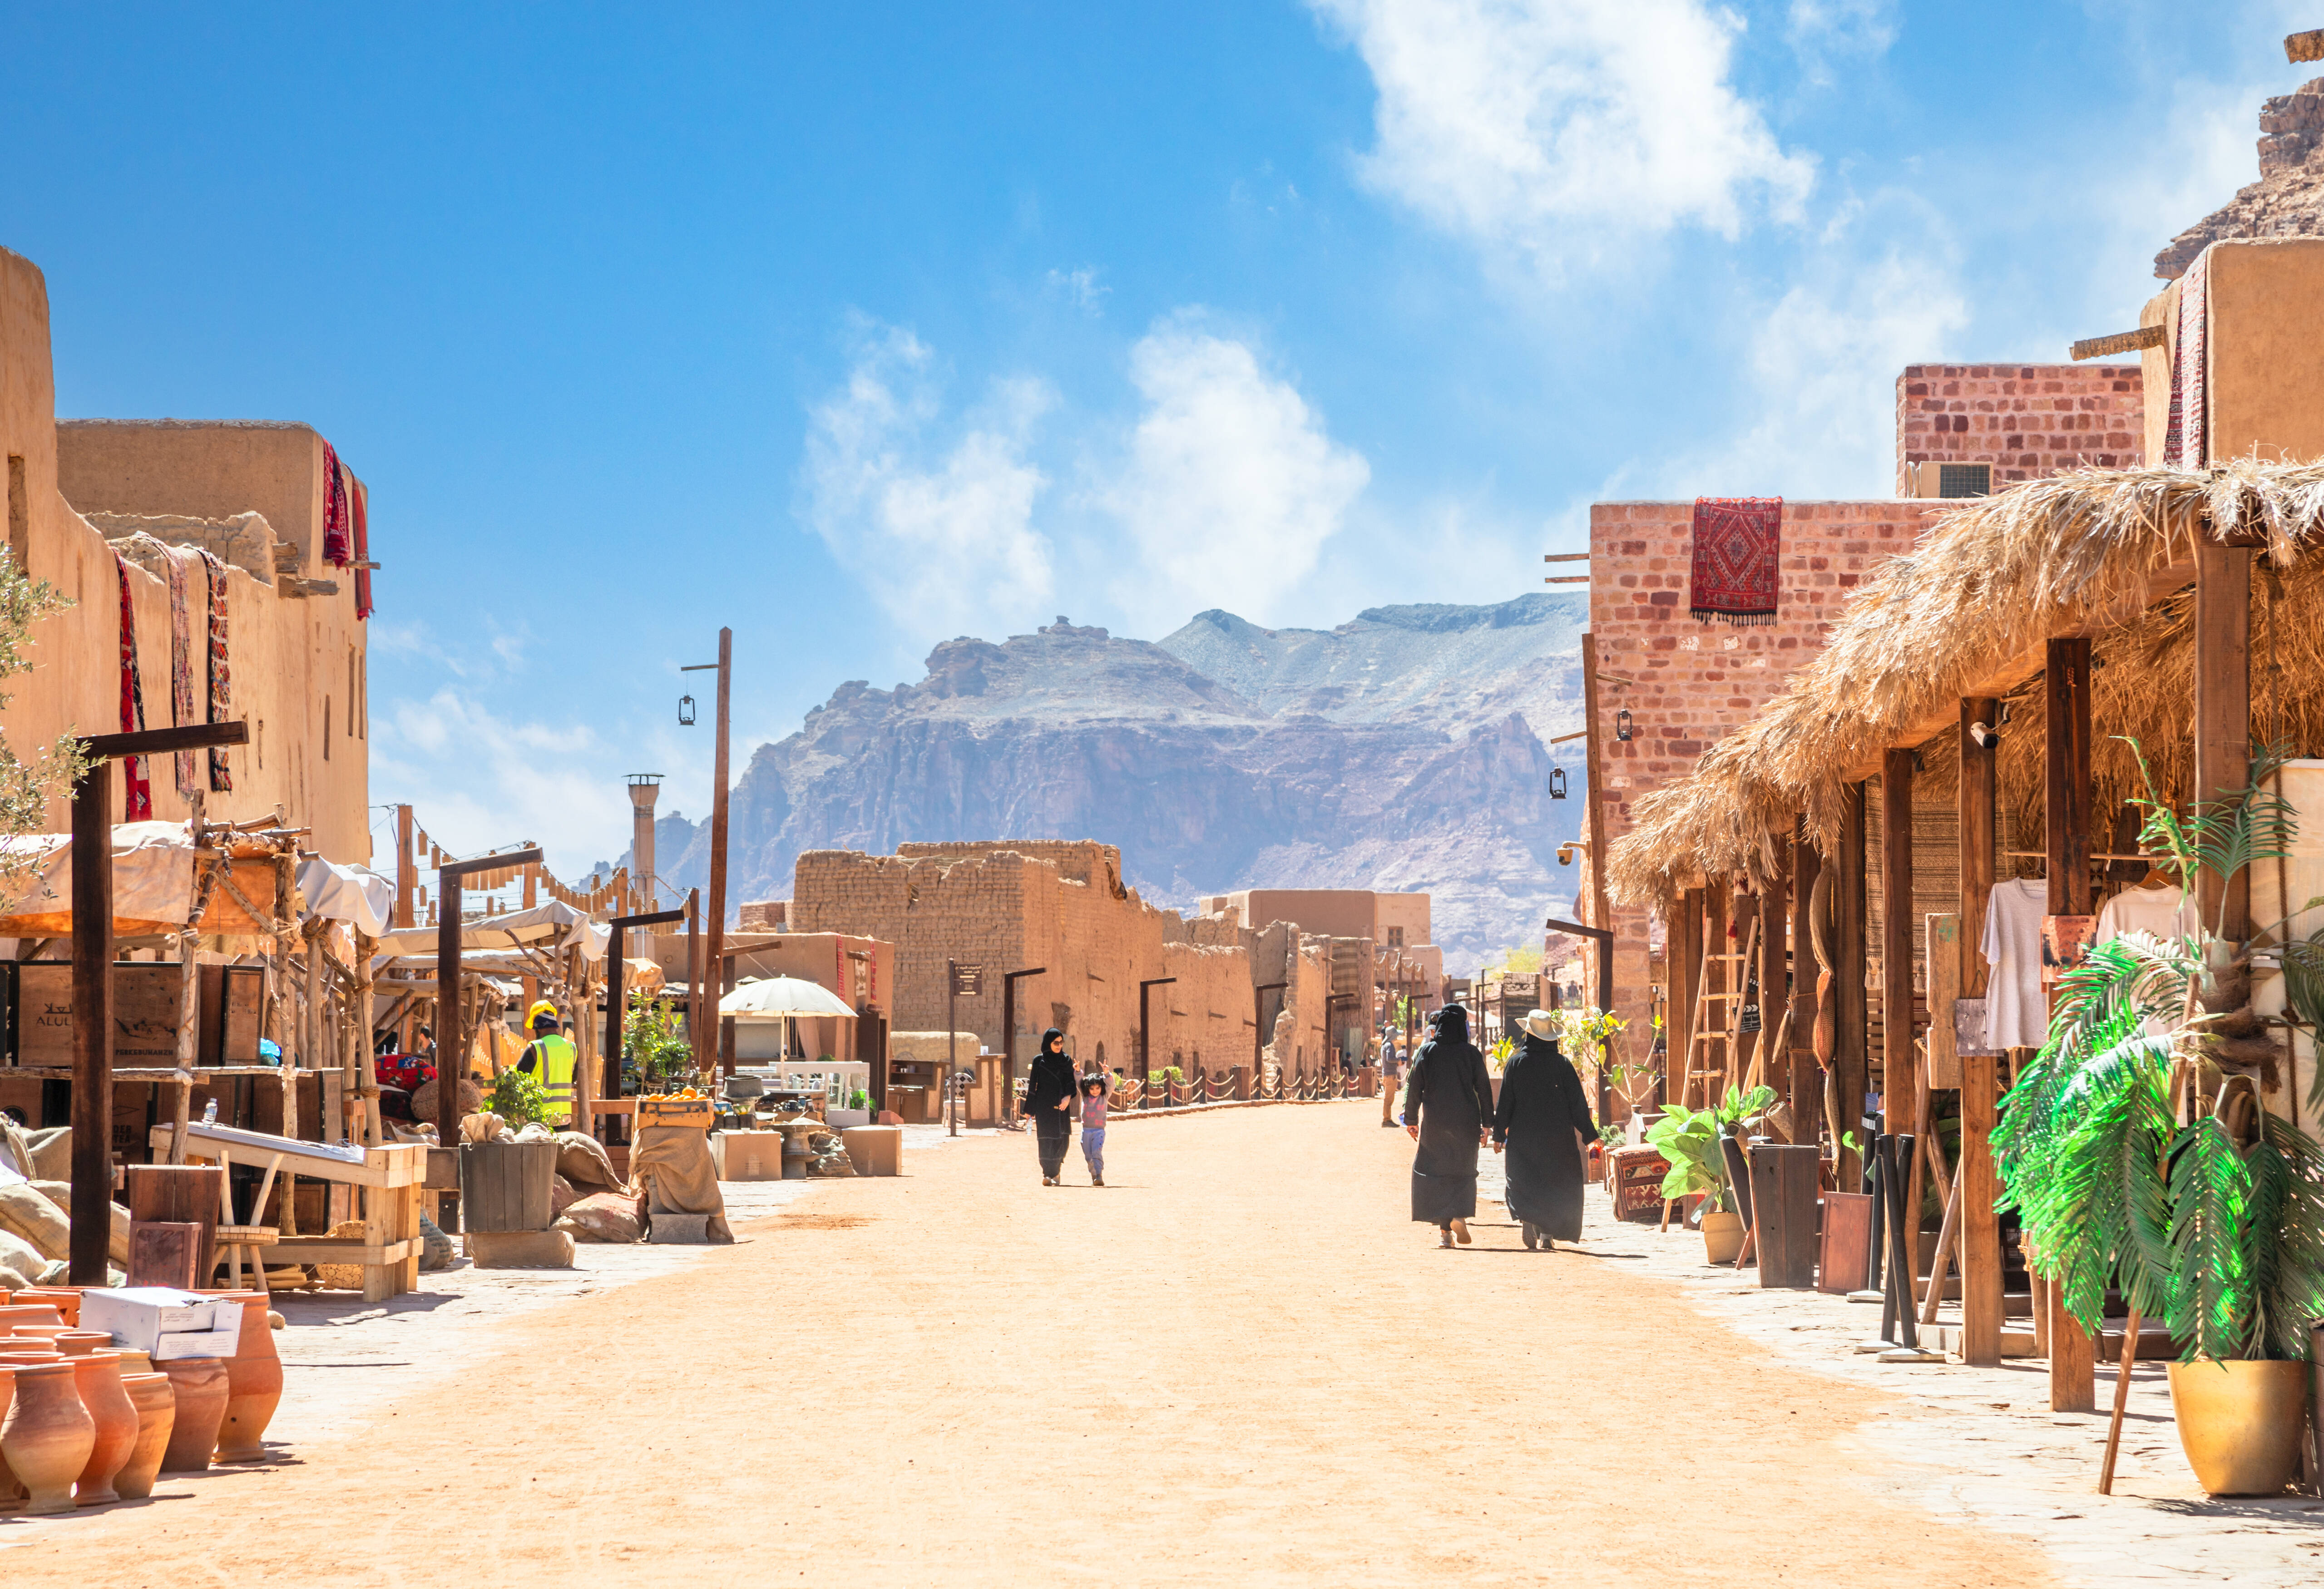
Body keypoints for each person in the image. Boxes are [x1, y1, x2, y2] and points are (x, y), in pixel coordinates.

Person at [1493, 1009, 1600, 1251]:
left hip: (1524, 1137)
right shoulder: (1562, 1064)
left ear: (1528, 1034)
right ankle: (1548, 1234)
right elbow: (1577, 1103)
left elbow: (1506, 1102)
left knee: (1525, 1178)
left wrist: (1499, 1134)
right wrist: (1590, 1136)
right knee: (1555, 1182)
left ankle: (1529, 1217)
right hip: (1557, 1138)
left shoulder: (1516, 1063)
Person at [1404, 1004, 1494, 1248]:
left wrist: (1411, 1120)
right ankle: (1459, 1216)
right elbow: (1484, 1090)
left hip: (1435, 1124)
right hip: (1466, 1124)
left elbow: (1415, 1087)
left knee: (1437, 1172)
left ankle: (1445, 1233)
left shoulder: (1428, 1051)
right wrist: (1487, 1124)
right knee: (1463, 1169)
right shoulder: (1472, 1053)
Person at [513, 1000, 580, 1126]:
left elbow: (516, 1079)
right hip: (563, 1117)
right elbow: (574, 1078)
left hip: (539, 1117)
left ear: (538, 1028)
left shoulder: (535, 1048)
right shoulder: (572, 1047)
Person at [1025, 1028, 1077, 1185]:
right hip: (1044, 1107)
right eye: (1056, 1043)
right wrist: (1029, 1110)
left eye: (1061, 1043)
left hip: (1061, 1106)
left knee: (1062, 1140)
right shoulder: (1039, 1061)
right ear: (1049, 1043)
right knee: (1046, 1140)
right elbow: (1033, 1086)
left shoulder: (1067, 1060)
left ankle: (1056, 1171)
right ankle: (1048, 1174)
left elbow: (1070, 1082)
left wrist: (1068, 1097)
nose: (1059, 1046)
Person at [1078, 1071, 1110, 1186]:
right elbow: (1079, 1082)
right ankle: (1094, 1175)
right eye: (1092, 1089)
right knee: (1088, 1156)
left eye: (1098, 1088)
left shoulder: (1104, 1097)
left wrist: (1107, 1074)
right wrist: (1078, 1072)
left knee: (1097, 1152)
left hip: (1099, 1131)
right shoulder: (1085, 1096)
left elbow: (1111, 1085)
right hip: (1086, 1131)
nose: (1095, 1091)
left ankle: (1099, 1175)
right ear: (1087, 1089)